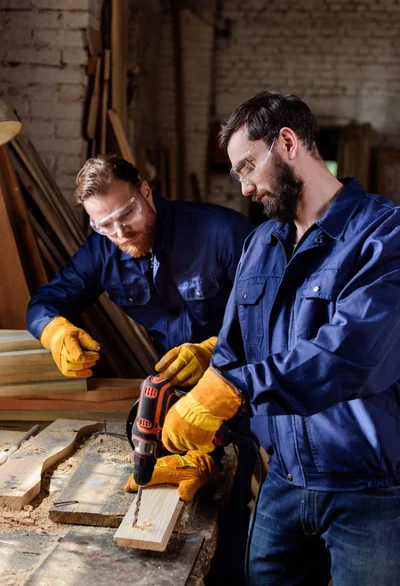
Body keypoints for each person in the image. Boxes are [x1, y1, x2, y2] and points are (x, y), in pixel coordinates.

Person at [159, 91, 400, 586]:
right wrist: (208, 444)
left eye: (248, 166)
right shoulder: (262, 243)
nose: (245, 187)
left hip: (368, 494)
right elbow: (233, 353)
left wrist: (231, 392)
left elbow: (348, 356)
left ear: (287, 142)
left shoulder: (384, 236)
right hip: (283, 483)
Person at [26, 154, 255, 585]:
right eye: (103, 225)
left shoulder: (224, 233)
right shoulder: (103, 250)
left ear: (145, 192)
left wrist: (215, 351)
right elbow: (44, 303)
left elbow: (276, 319)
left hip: (238, 388)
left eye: (125, 213)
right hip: (176, 398)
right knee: (174, 525)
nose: (119, 231)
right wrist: (55, 331)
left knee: (232, 511)